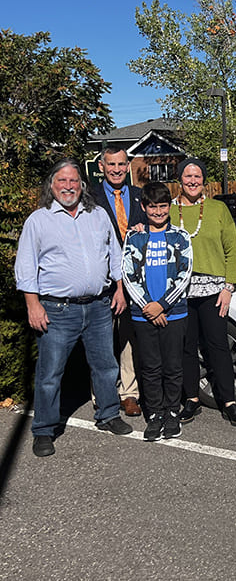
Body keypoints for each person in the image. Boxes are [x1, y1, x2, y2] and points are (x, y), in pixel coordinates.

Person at [15, 159, 133, 457]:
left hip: (98, 307)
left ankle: (108, 414)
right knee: (50, 373)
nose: (68, 186)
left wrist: (119, 289)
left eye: (73, 181)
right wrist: (33, 305)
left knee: (106, 365)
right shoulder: (38, 221)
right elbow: (26, 267)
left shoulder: (98, 215)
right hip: (57, 310)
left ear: (82, 185)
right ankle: (44, 430)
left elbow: (115, 254)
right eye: (62, 181)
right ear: (51, 186)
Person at [174, 157, 236, 427]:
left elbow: (232, 250)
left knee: (218, 345)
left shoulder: (218, 209)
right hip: (180, 291)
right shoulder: (168, 211)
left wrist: (229, 287)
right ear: (179, 180)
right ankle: (191, 398)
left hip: (214, 290)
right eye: (187, 176)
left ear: (204, 180)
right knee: (187, 347)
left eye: (197, 176)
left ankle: (229, 401)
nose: (192, 181)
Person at [121, 181, 193, 441]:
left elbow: (185, 275)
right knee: (150, 368)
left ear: (169, 207)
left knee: (173, 367)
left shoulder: (181, 237)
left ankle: (173, 412)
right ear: (144, 207)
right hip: (142, 314)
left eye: (163, 206)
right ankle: (155, 414)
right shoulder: (135, 236)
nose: (158, 212)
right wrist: (148, 307)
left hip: (174, 313)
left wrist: (161, 305)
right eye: (153, 207)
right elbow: (128, 275)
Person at [92, 147, 147, 417]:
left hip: (134, 282)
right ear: (101, 166)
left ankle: (129, 393)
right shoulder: (89, 198)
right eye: (111, 164)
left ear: (128, 166)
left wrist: (145, 230)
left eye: (121, 164)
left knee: (129, 339)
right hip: (101, 282)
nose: (116, 169)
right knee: (101, 342)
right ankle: (102, 394)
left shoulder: (139, 197)